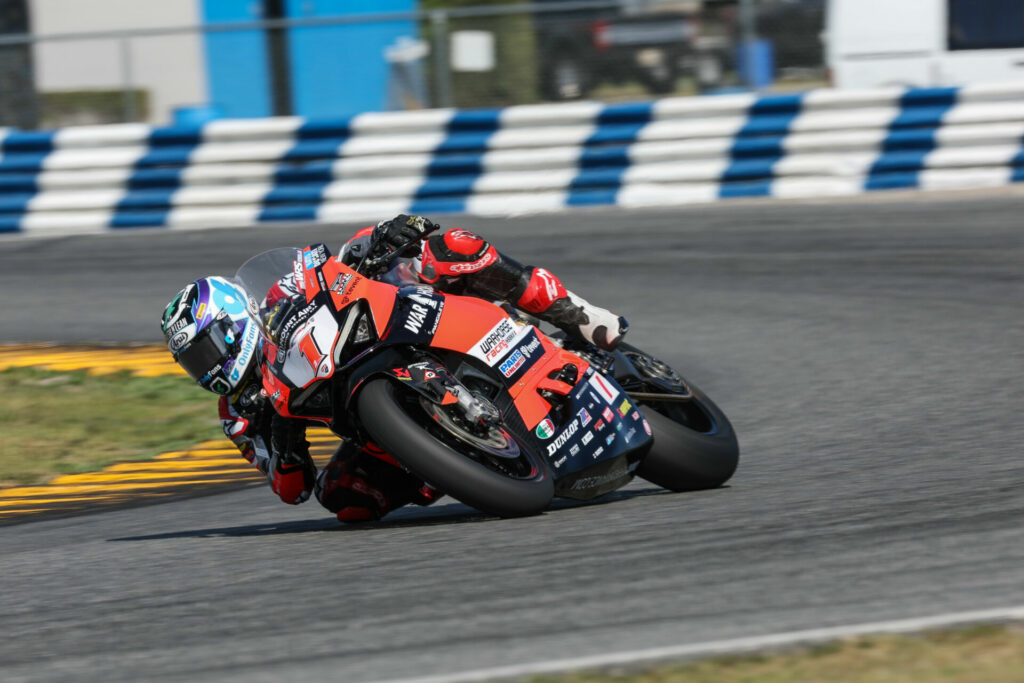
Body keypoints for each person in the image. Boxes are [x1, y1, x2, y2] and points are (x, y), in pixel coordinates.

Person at [160, 215, 628, 522]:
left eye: (208, 348)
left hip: (399, 320)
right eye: (192, 362)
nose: (207, 367)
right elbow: (290, 490)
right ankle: (443, 463)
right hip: (369, 418)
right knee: (343, 499)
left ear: (235, 316)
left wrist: (385, 237)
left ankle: (575, 314)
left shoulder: (281, 292)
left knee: (450, 247)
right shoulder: (239, 413)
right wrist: (284, 445)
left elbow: (333, 261)